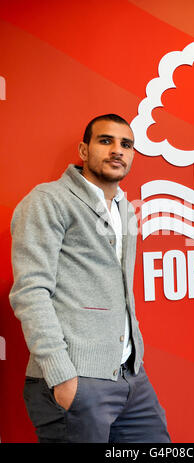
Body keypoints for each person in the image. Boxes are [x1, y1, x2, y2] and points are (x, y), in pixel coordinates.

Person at [9, 114, 171, 443]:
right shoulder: (48, 200)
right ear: (84, 150)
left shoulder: (126, 209)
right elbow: (31, 291)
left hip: (129, 377)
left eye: (126, 144)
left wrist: (132, 362)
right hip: (76, 378)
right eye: (105, 141)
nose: (117, 151)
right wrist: (62, 376)